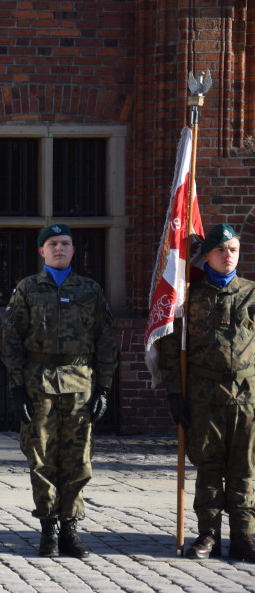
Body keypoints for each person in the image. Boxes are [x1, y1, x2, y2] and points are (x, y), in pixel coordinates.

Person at [1, 224, 116, 559]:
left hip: (80, 383)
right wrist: (17, 388)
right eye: (52, 244)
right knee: (41, 458)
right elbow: (11, 340)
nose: (60, 248)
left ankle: (71, 528)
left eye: (66, 243)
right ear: (42, 251)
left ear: (73, 250)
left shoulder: (90, 290)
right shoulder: (26, 289)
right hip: (39, 385)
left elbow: (105, 341)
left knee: (78, 460)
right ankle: (48, 528)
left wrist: (104, 388)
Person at [156, 223, 255, 561]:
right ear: (208, 255)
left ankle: (244, 535)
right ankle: (208, 534)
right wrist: (174, 393)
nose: (228, 256)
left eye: (234, 250)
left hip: (245, 393)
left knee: (244, 466)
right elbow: (171, 350)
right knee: (208, 465)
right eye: (221, 250)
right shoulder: (189, 297)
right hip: (202, 393)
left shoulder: (252, 294)